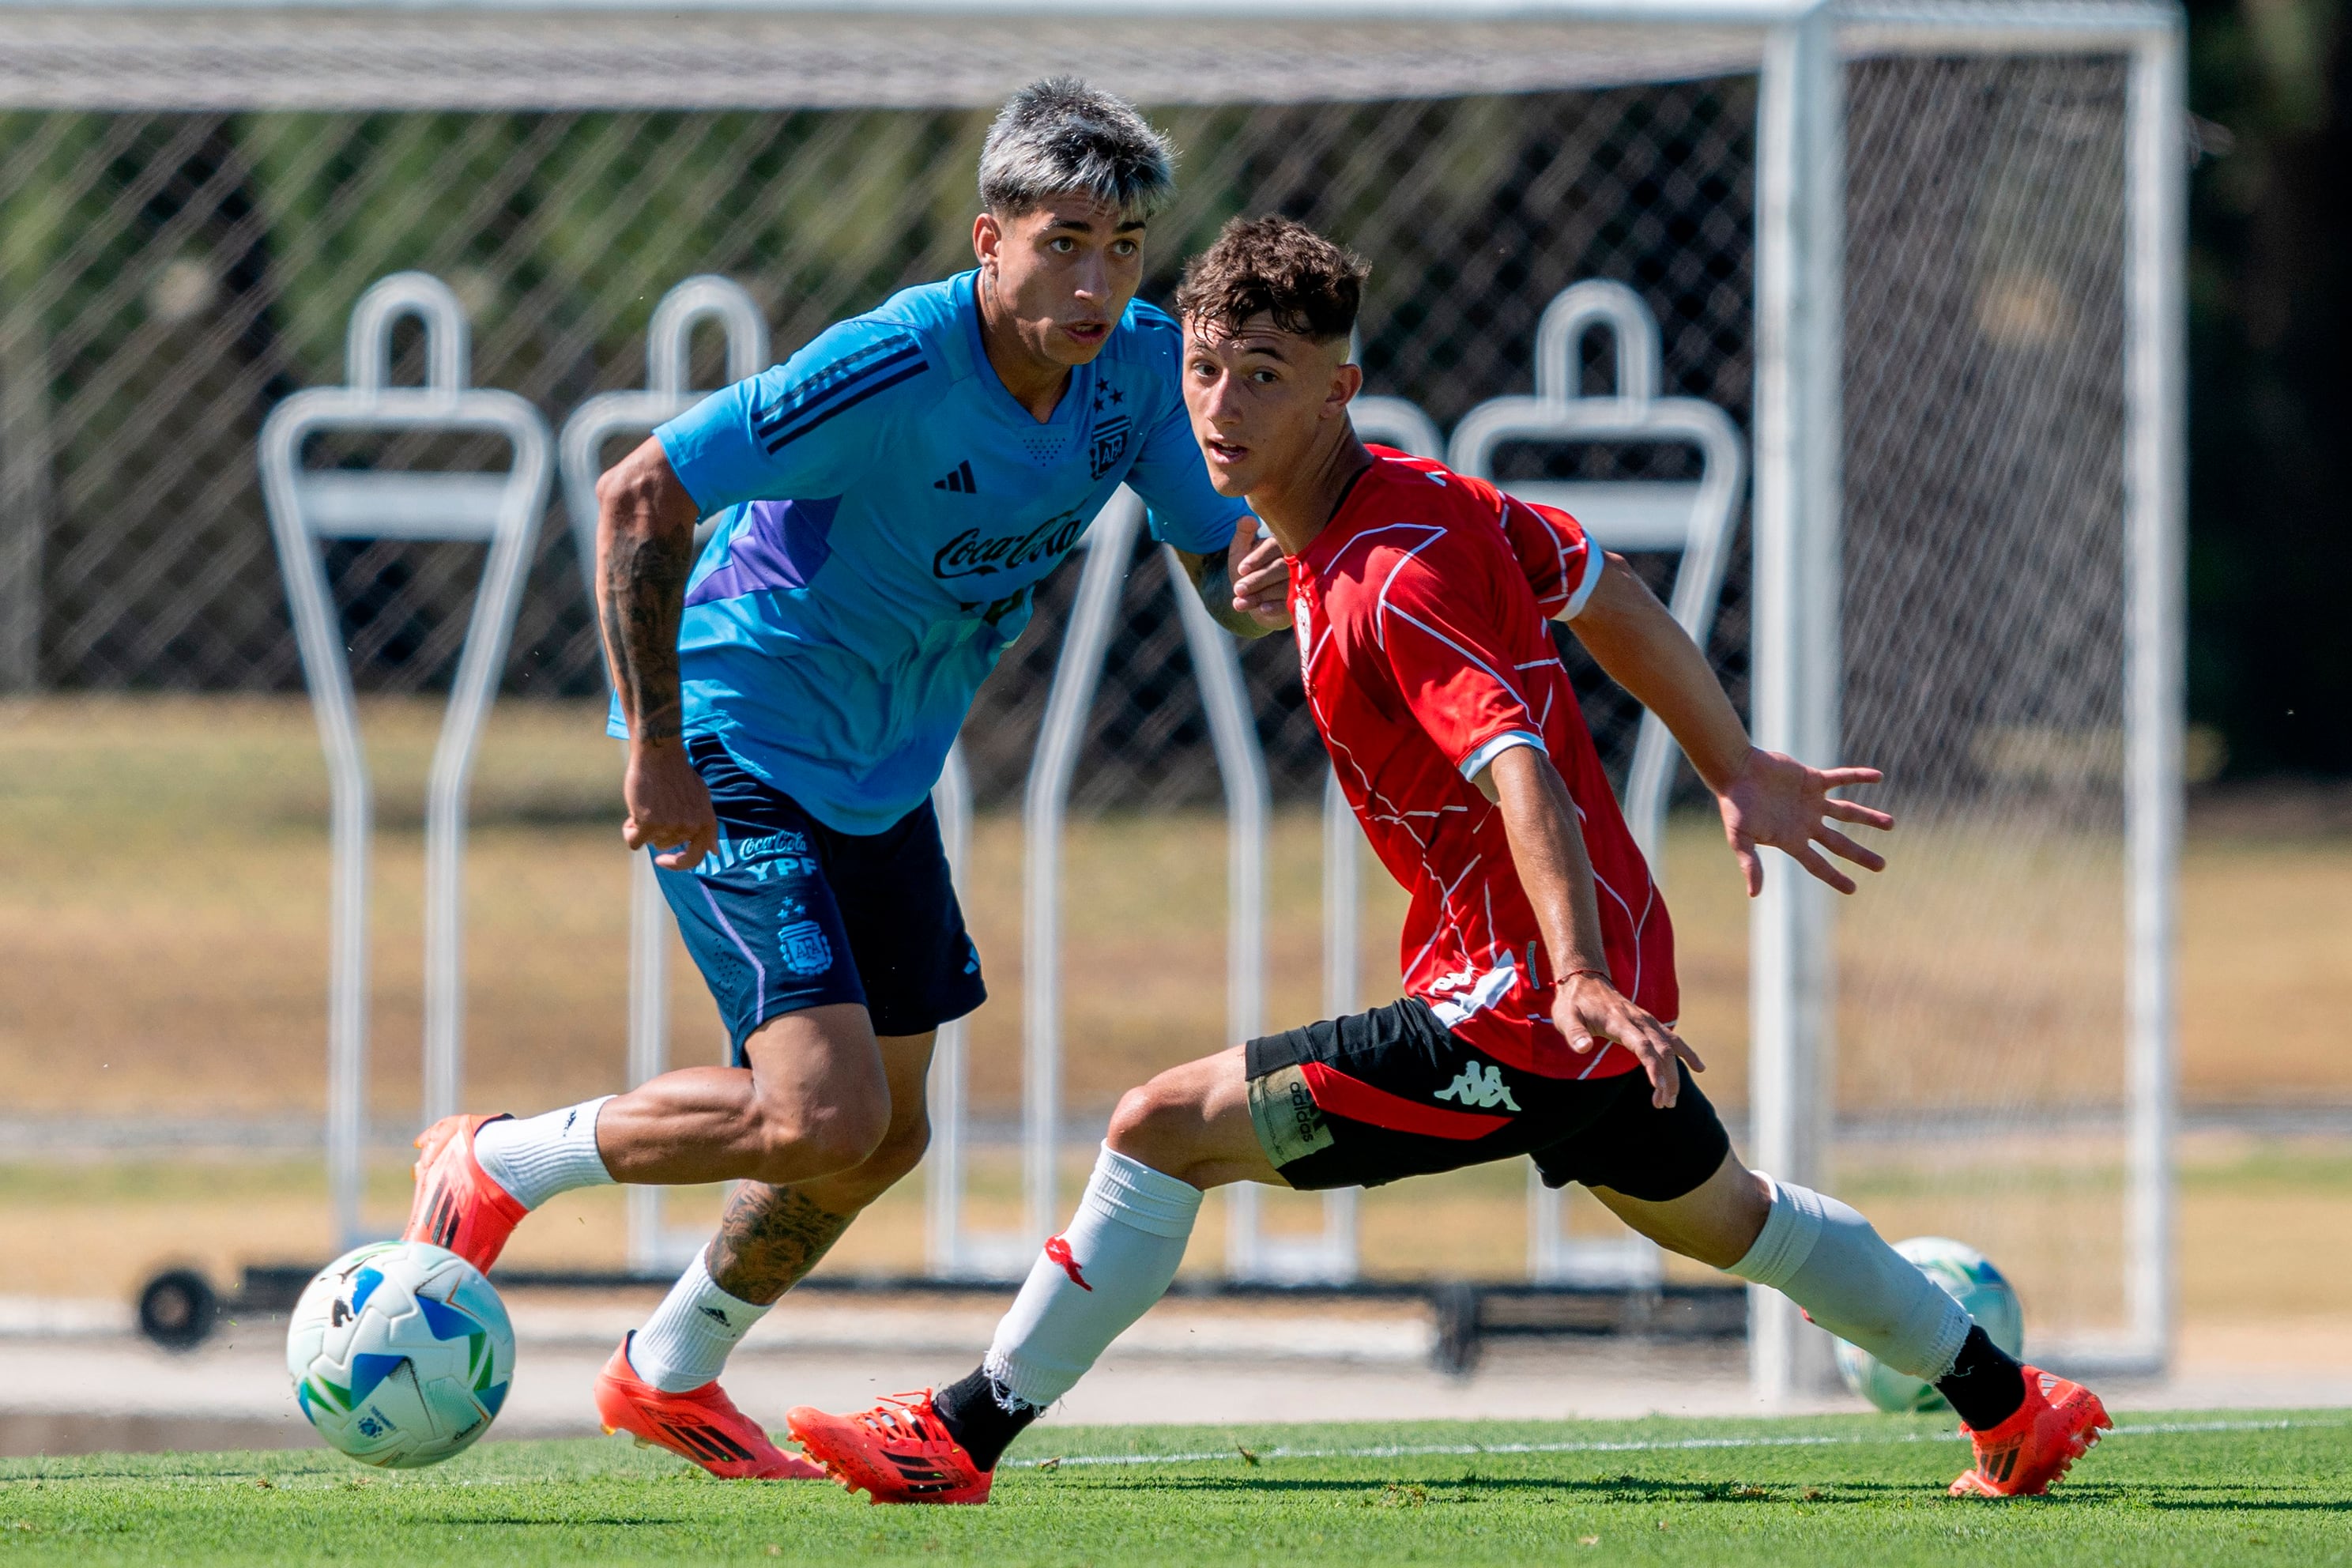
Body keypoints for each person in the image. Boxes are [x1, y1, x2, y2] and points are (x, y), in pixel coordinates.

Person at [784, 217, 2112, 1504]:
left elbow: (1514, 756)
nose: (1221, 407)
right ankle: (2011, 1403)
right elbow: (1607, 590)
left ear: (1338, 389)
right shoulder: (1417, 507)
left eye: (1264, 379)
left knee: (1159, 1129)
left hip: (1526, 1005)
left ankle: (957, 1437)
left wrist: (1575, 970)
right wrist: (1735, 766)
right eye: (1202, 371)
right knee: (1736, 1221)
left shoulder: (1387, 580)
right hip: (1591, 992)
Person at [397, 81, 1288, 1480]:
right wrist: (654, 742)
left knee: (883, 1140)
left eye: (1124, 248)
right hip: (741, 735)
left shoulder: (1138, 370)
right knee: (823, 1113)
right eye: (1064, 242)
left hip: (882, 776)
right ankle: (501, 1162)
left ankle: (667, 1371)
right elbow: (641, 494)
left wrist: (1282, 577)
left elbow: (1218, 569)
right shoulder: (893, 365)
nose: (1096, 280)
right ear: (988, 238)